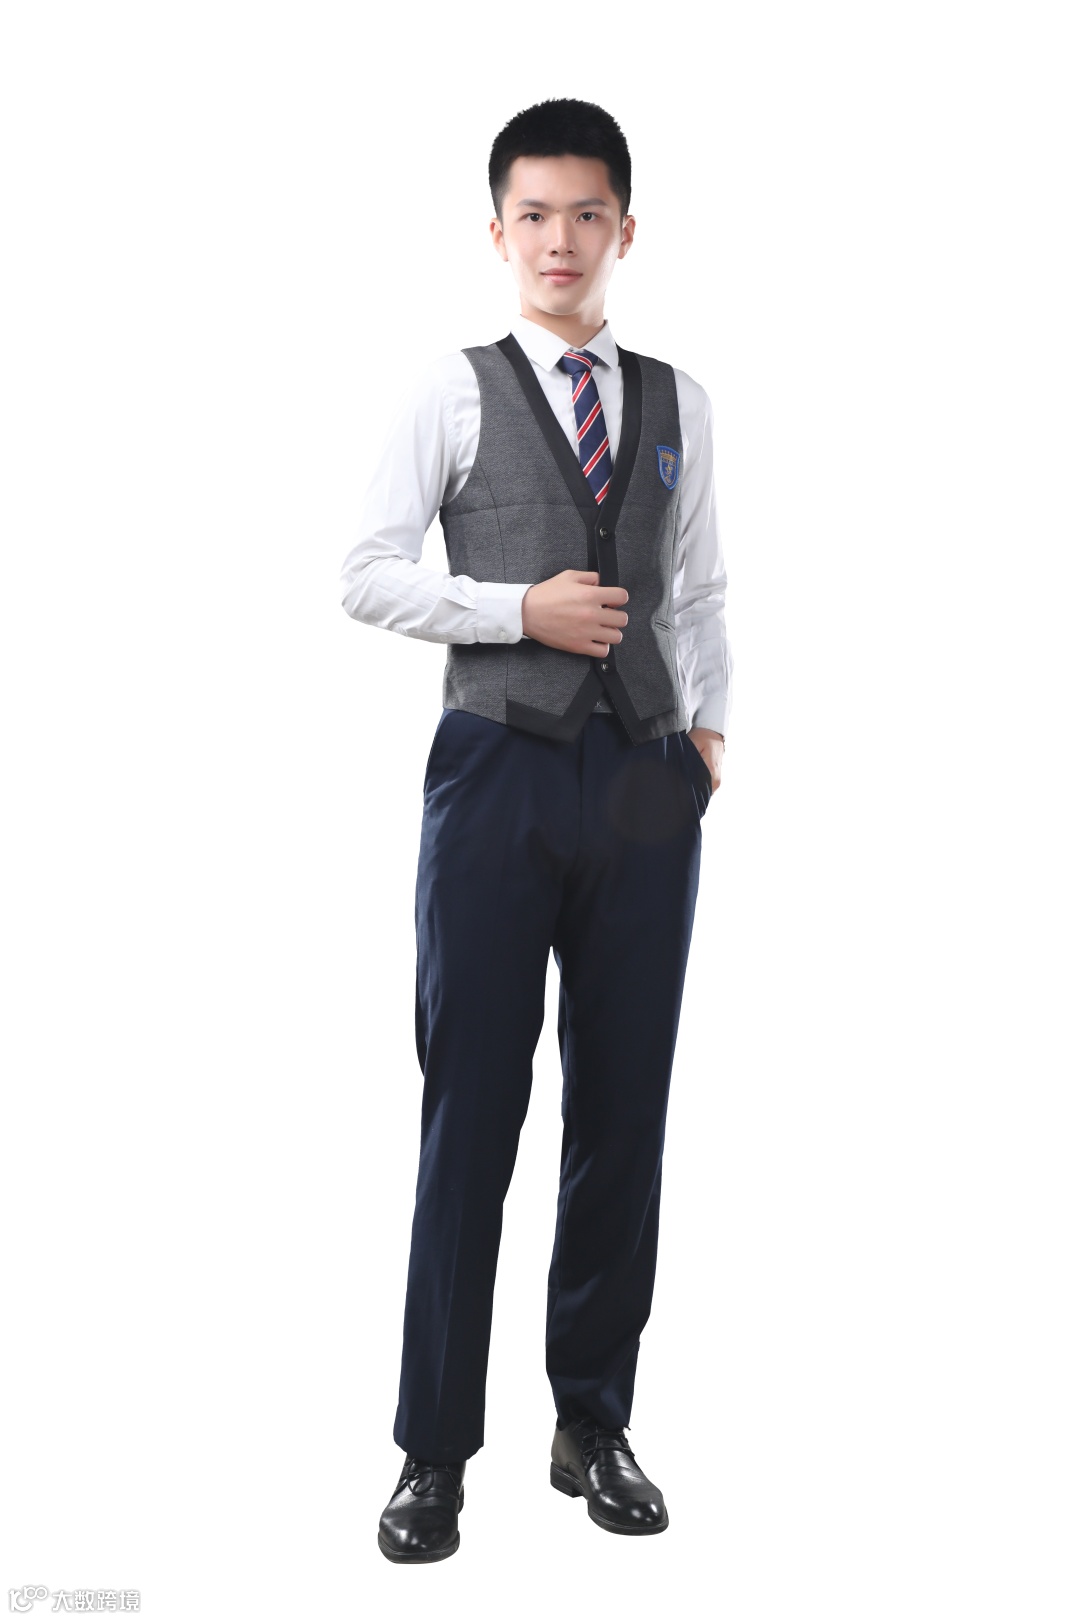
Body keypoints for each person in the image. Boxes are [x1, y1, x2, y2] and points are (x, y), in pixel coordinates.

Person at [339, 97, 733, 1563]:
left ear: (626, 229)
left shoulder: (681, 401)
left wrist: (707, 740)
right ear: (496, 231)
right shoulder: (449, 393)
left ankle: (594, 1421)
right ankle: (432, 1453)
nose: (560, 240)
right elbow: (365, 571)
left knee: (624, 1111)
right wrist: (518, 611)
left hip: (646, 782)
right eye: (534, 215)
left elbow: (701, 589)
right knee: (472, 1113)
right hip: (496, 771)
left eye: (586, 215)